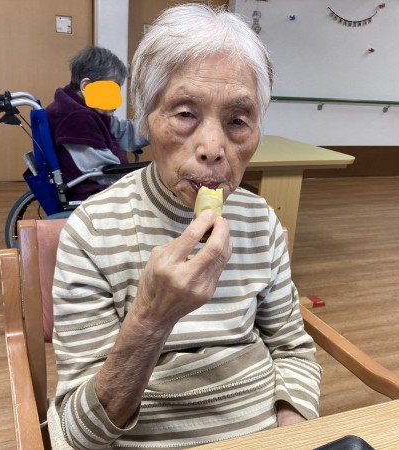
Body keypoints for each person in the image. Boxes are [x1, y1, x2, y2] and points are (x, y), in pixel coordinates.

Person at [47, 4, 322, 449]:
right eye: (185, 113)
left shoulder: (260, 220)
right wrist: (151, 318)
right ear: (147, 119)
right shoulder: (91, 231)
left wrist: (293, 431)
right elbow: (80, 436)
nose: (212, 148)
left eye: (237, 121)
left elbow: (292, 349)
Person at [46, 46, 149, 202]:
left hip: (99, 186)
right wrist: (140, 180)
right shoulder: (75, 118)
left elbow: (124, 131)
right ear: (86, 86)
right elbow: (103, 170)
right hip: (92, 194)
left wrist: (156, 126)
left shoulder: (86, 110)